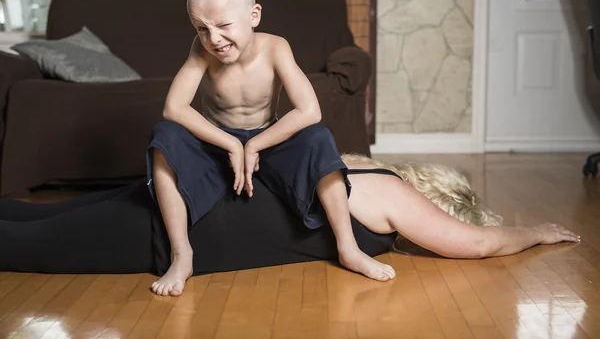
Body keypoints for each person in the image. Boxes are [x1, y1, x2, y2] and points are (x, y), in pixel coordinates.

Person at [0, 155, 580, 297]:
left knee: (32, 218)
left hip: (168, 196)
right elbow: (478, 244)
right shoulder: (386, 195)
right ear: (437, 204)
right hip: (165, 231)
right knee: (20, 244)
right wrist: (536, 231)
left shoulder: (357, 161)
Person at [146, 0, 391, 297]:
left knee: (319, 137)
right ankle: (182, 254)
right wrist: (232, 145)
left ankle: (347, 247)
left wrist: (255, 144)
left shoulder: (276, 48)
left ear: (254, 15)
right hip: (218, 143)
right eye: (201, 28)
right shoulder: (200, 49)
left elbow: (310, 110)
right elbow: (174, 107)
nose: (213, 38)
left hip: (267, 139)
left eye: (222, 25)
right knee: (165, 137)